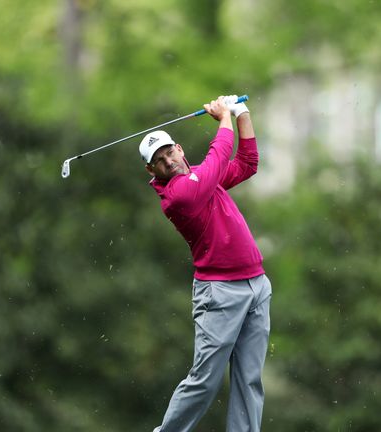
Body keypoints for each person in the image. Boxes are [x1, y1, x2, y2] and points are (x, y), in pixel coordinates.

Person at [141, 95, 272, 432]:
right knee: (204, 381)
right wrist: (224, 117)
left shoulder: (203, 176)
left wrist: (241, 113)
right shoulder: (178, 196)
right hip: (220, 293)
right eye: (159, 160)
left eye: (169, 152)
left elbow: (247, 163)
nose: (168, 161)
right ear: (151, 170)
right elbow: (220, 154)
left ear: (180, 149)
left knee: (249, 380)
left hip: (256, 286)